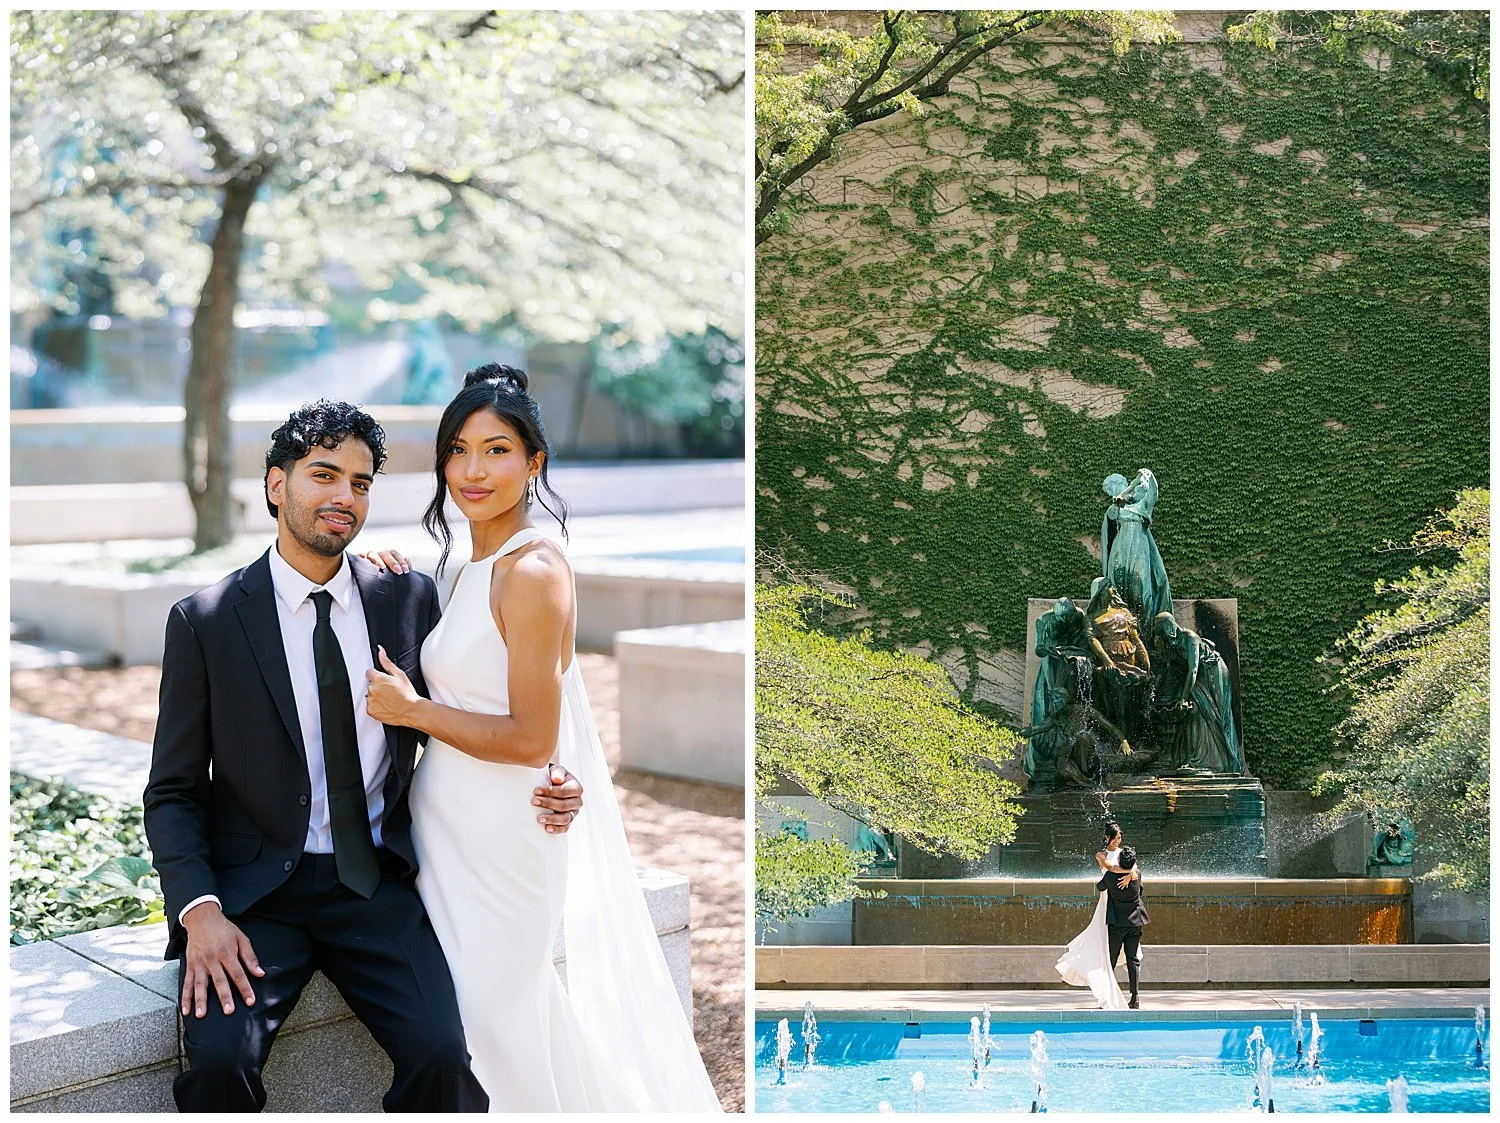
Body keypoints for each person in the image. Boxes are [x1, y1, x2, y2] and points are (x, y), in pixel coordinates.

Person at [142, 400, 584, 1112]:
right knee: (220, 1063)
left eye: (360, 481)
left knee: (446, 1054)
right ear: (276, 484)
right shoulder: (207, 620)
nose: (343, 497)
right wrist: (199, 911)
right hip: (258, 899)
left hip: (376, 885)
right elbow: (172, 791)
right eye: (323, 475)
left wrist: (561, 774)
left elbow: (489, 694)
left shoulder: (406, 597)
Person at [362, 365, 722, 1111]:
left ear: (535, 462)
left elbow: (533, 734)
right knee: (506, 1025)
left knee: (496, 1025)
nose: (472, 469)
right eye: (458, 450)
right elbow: (486, 691)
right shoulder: (468, 568)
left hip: (505, 838)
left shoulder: (533, 568)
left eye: (496, 450)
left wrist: (411, 711)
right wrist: (375, 571)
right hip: (446, 834)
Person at [1054, 821, 1139, 1010]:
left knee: (1122, 949)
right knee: (1102, 942)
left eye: (1120, 838)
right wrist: (1129, 873)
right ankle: (1108, 990)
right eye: (1115, 838)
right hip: (1108, 898)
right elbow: (1111, 868)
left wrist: (1131, 874)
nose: (1118, 841)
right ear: (1107, 838)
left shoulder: (1125, 853)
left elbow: (1136, 869)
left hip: (1121, 900)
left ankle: (1121, 988)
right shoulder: (1101, 855)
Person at [1104, 846, 1150, 1010]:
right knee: (1133, 959)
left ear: (1118, 861)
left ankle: (1109, 996)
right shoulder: (1137, 875)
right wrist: (1130, 874)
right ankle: (1135, 997)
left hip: (1117, 924)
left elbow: (1100, 887)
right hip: (1135, 923)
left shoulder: (1110, 877)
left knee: (1111, 959)